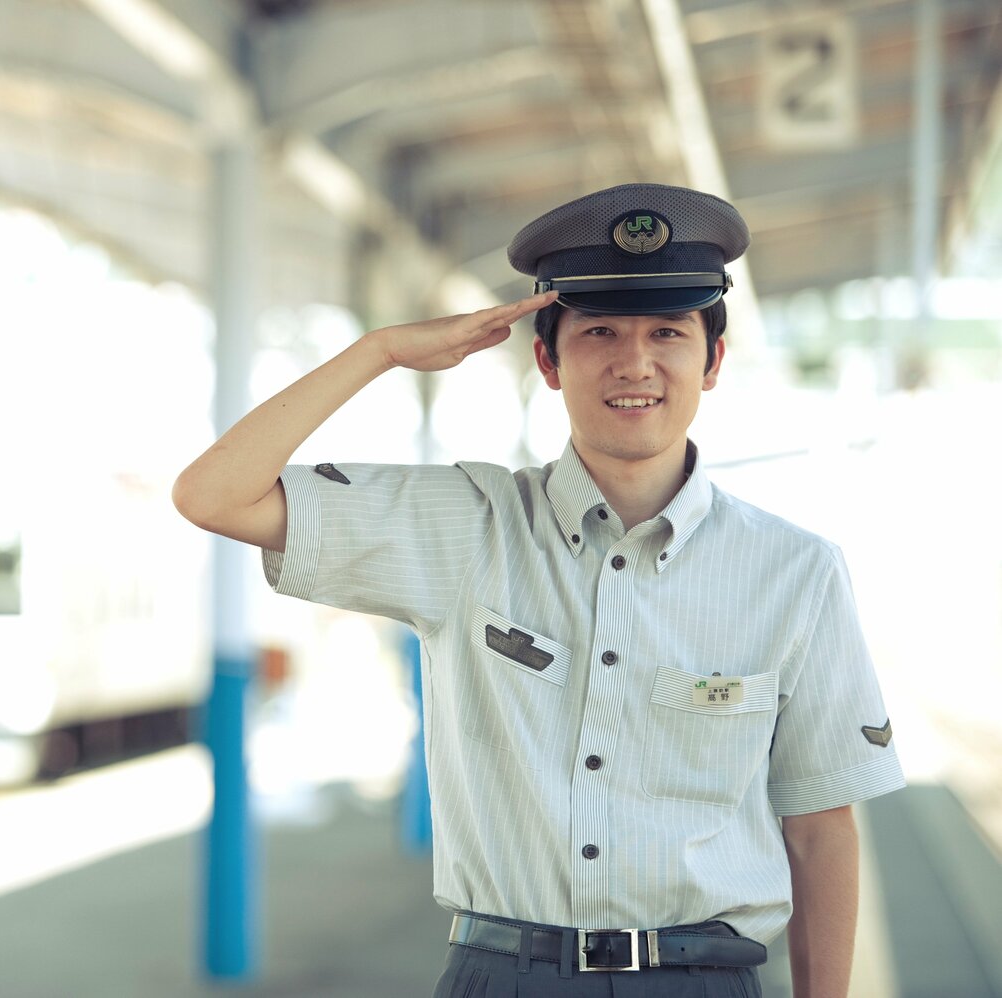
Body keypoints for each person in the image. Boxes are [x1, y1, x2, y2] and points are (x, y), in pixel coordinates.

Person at [172, 183, 904, 997]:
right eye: (599, 332)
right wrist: (379, 351)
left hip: (701, 980)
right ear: (549, 360)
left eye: (669, 331)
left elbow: (820, 829)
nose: (635, 363)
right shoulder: (465, 526)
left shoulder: (794, 571)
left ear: (714, 359)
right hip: (502, 976)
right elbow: (213, 494)